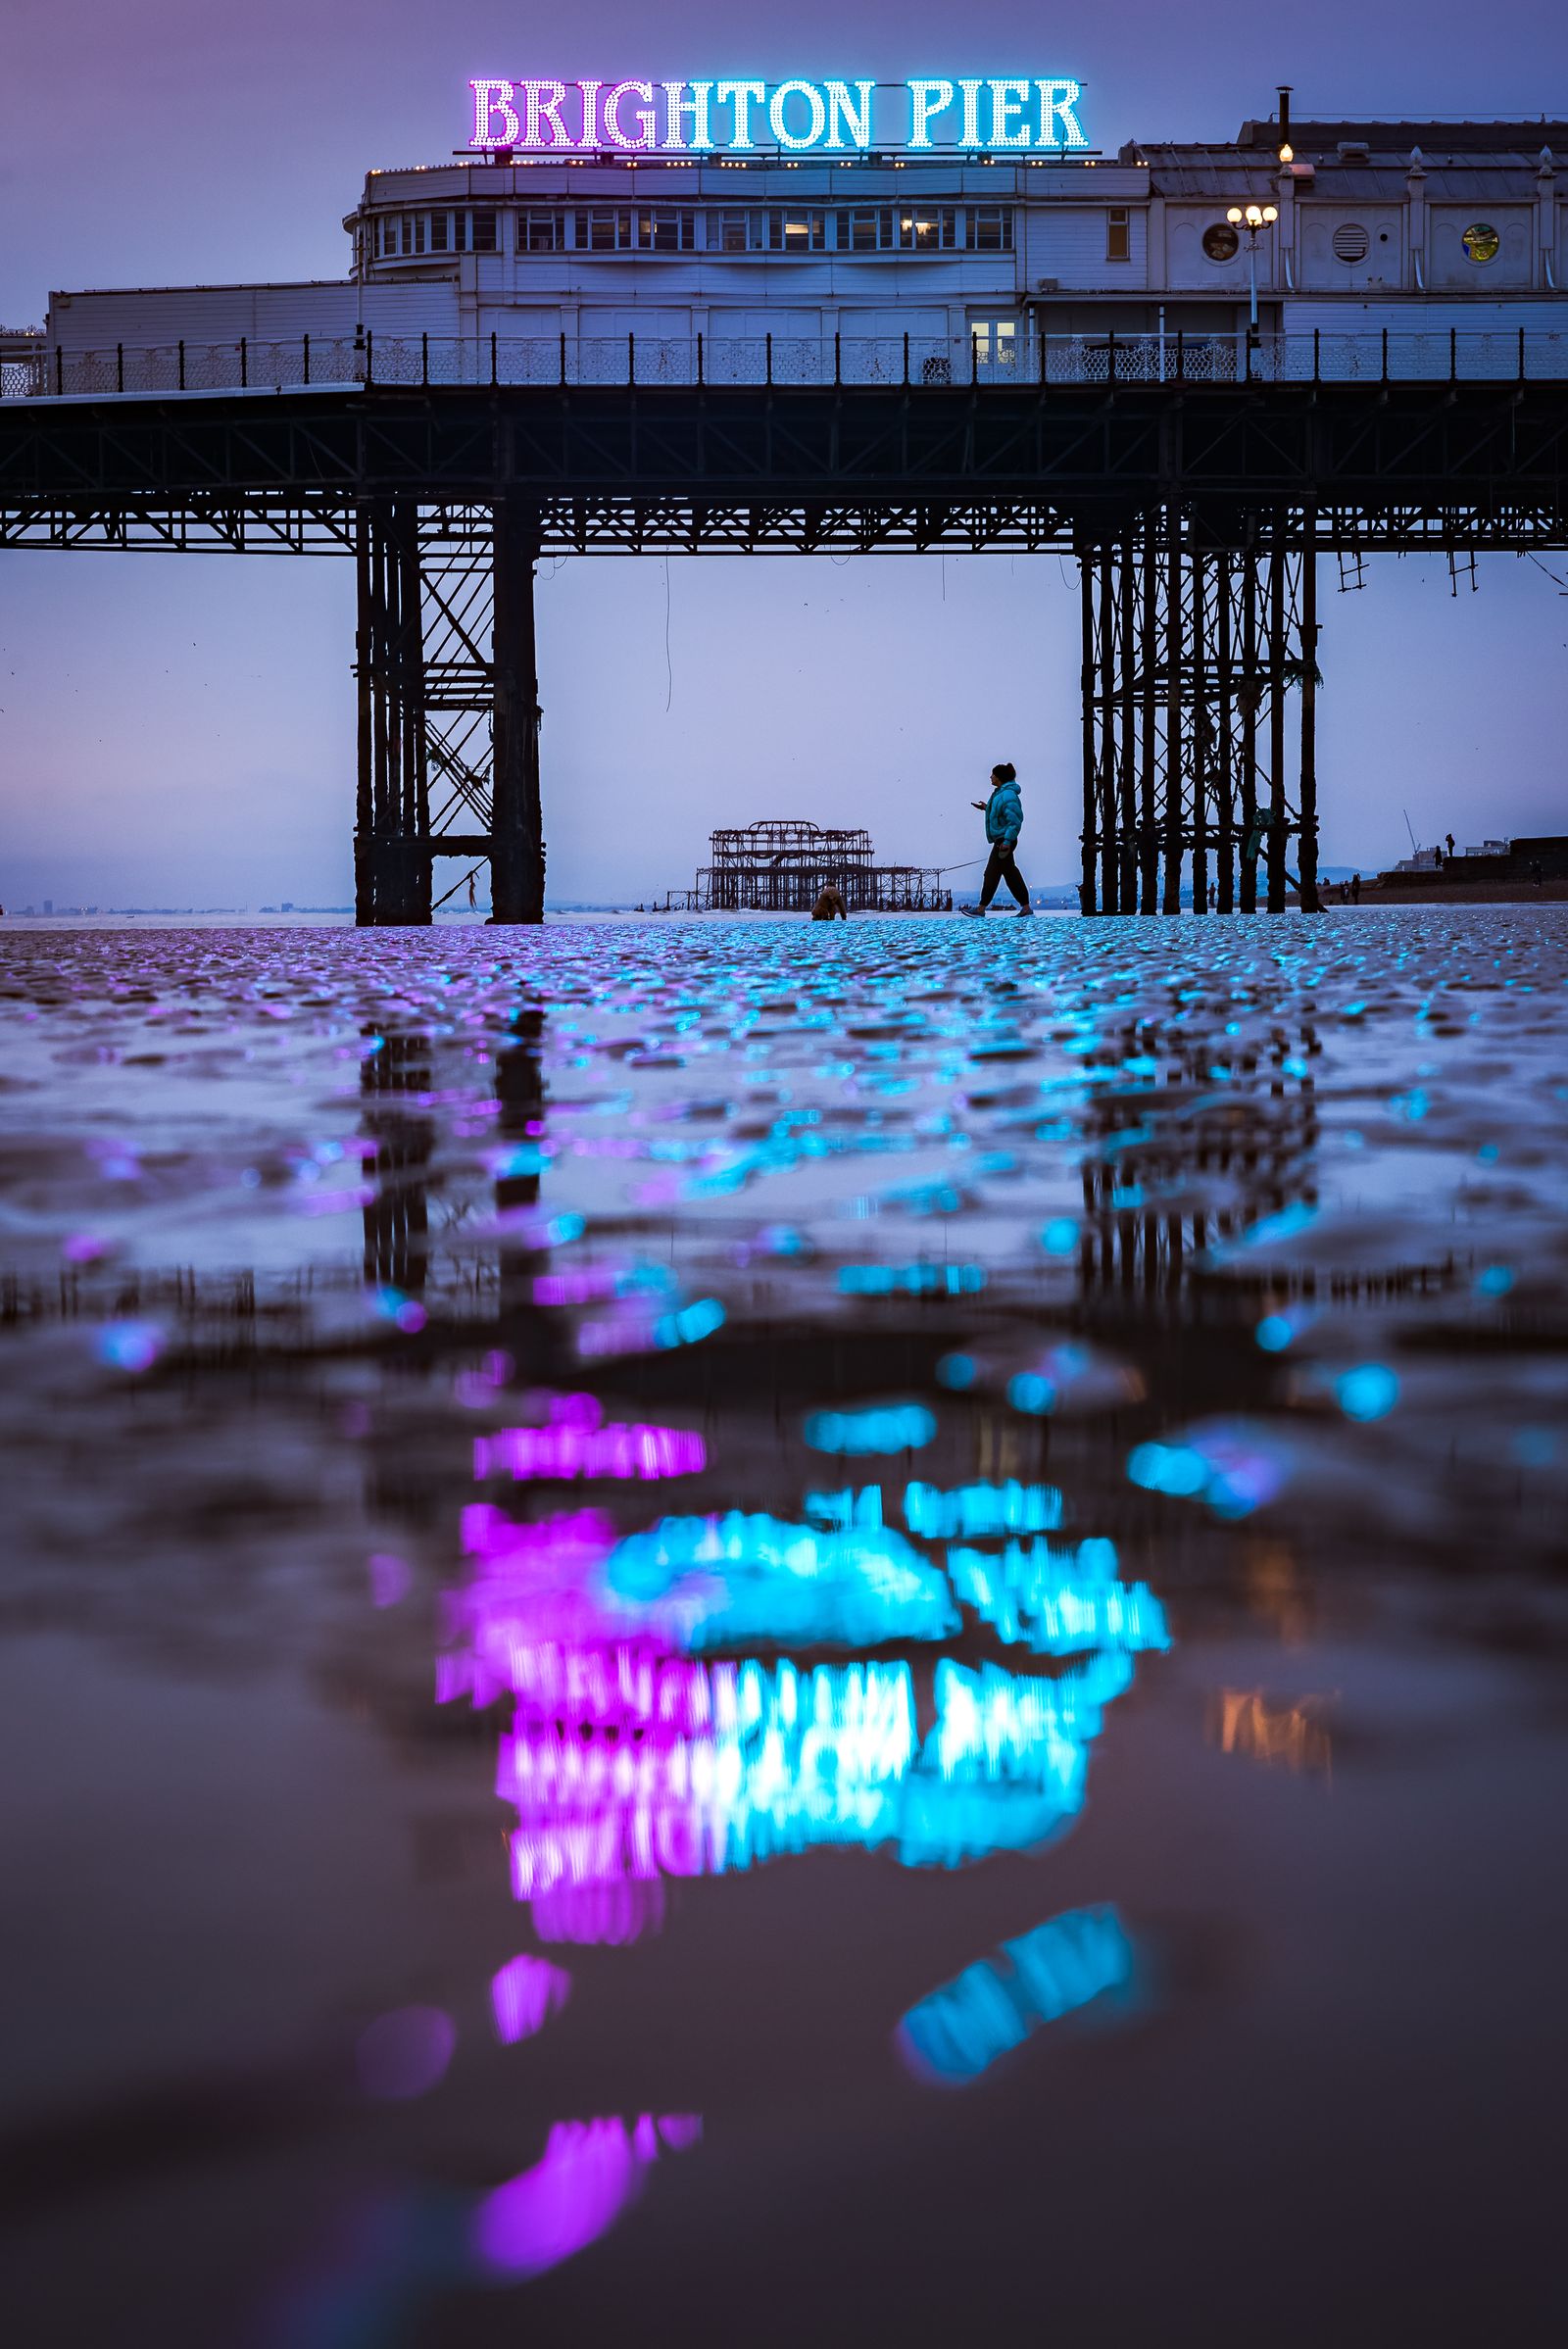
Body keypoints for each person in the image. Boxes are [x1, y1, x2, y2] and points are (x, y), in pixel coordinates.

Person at [962, 761, 1033, 916]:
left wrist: (1007, 841)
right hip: (1003, 840)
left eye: (993, 774)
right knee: (1010, 873)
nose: (990, 777)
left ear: (999, 777)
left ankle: (981, 908)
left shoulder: (1007, 794)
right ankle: (1026, 908)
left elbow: (1014, 820)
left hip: (1004, 840)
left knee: (992, 873)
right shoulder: (1001, 793)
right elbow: (1001, 812)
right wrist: (986, 808)